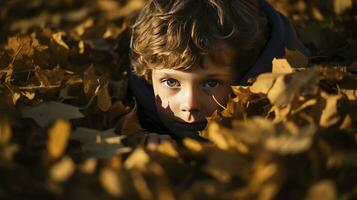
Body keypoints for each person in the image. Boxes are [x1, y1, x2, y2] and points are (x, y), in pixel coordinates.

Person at [118, 0, 309, 149]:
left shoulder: (296, 128)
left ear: (251, 75)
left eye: (211, 83)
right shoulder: (123, 125)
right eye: (170, 81)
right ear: (147, 77)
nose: (190, 105)